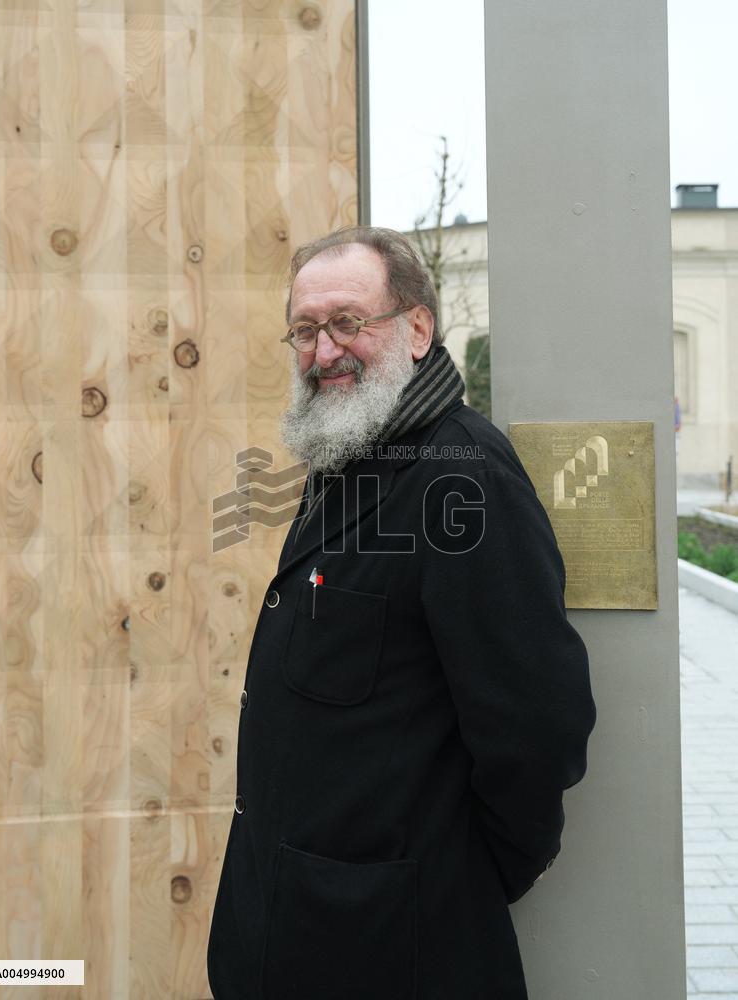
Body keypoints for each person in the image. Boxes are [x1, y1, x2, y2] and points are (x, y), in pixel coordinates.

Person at [207, 226, 597, 1000]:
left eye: (348, 322)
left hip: (395, 945)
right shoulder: (350, 450)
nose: (324, 351)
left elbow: (537, 724)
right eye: (305, 329)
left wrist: (469, 876)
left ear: (417, 329)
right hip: (297, 932)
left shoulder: (462, 475)